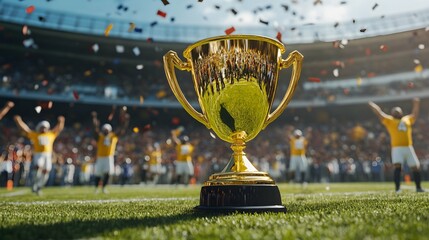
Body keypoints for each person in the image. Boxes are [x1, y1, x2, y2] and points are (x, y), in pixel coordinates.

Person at [368, 99, 425, 193]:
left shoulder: (406, 119)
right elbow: (379, 113)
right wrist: (372, 105)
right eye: (394, 111)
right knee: (398, 166)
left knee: (416, 167)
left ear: (401, 112)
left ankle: (418, 187)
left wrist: (416, 103)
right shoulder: (390, 120)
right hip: (397, 148)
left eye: (398, 111)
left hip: (408, 147)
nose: (396, 112)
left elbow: (414, 114)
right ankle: (397, 189)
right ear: (392, 113)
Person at [14, 115, 65, 195]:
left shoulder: (51, 134)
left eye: (45, 127)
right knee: (38, 167)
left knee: (46, 170)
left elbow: (59, 128)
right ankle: (34, 184)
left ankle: (39, 186)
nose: (44, 129)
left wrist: (61, 121)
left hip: (48, 155)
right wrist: (19, 121)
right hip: (39, 154)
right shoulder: (36, 135)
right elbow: (26, 129)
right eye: (42, 127)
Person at [92, 109, 129, 193]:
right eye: (104, 129)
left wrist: (126, 121)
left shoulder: (113, 136)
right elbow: (95, 129)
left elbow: (122, 130)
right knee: (98, 174)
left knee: (108, 173)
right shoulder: (100, 137)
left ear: (110, 130)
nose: (106, 131)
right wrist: (94, 118)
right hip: (100, 157)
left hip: (109, 157)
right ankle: (96, 188)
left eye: (107, 129)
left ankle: (104, 188)